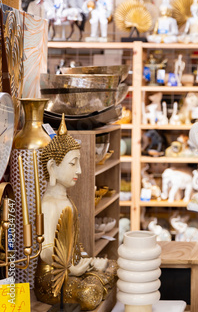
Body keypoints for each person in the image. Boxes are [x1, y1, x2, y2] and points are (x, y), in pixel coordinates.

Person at [35, 117, 117, 310]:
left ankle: (97, 280)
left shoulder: (68, 200)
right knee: (89, 293)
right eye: (73, 163)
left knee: (114, 266)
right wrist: (73, 268)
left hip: (72, 270)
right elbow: (46, 251)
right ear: (52, 168)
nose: (79, 170)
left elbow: (73, 247)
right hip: (52, 280)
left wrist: (87, 262)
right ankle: (95, 286)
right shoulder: (49, 204)